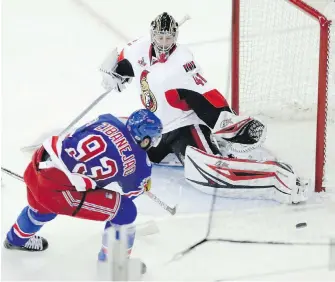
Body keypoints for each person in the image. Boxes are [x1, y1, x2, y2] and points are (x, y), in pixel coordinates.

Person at [99, 12, 308, 204]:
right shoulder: (138, 48)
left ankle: (277, 178)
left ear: (175, 37)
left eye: (169, 38)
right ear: (152, 35)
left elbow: (205, 95)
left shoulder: (182, 62)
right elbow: (122, 59)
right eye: (160, 38)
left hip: (185, 126)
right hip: (158, 129)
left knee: (209, 174)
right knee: (135, 151)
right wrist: (113, 73)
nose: (164, 43)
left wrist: (231, 124)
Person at [3, 109, 162, 267]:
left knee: (41, 206)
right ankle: (113, 263)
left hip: (39, 163)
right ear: (146, 139)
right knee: (125, 211)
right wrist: (143, 186)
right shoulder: (140, 164)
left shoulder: (107, 119)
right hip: (58, 192)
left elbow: (78, 134)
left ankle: (16, 239)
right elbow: (129, 193)